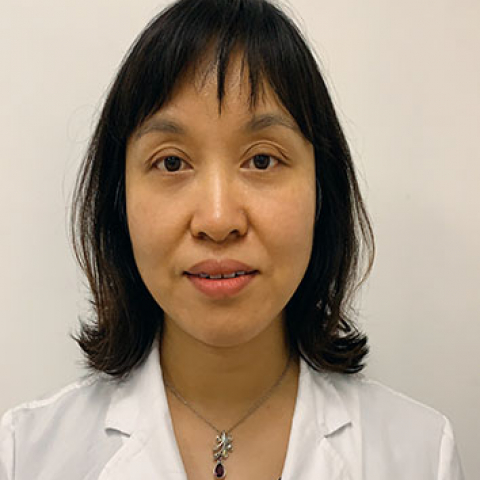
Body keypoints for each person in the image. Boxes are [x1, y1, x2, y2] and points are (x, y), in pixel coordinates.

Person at [0, 0, 465, 479]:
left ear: (322, 192)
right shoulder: (25, 454)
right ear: (118, 201)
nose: (219, 220)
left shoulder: (419, 455)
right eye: (172, 162)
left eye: (262, 160)